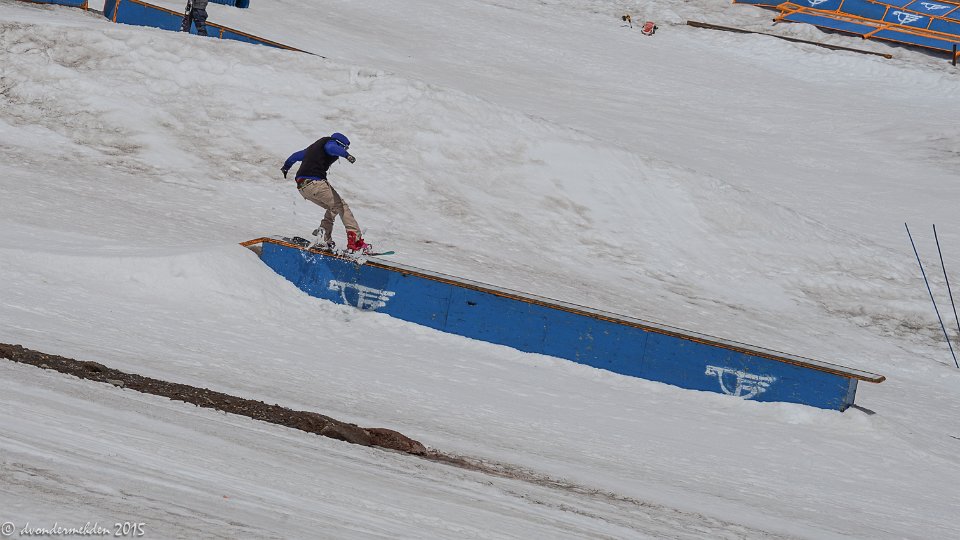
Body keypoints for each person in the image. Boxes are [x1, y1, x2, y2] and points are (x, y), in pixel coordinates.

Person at [281, 132, 371, 253]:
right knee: (342, 206)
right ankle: (356, 242)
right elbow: (331, 147)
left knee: (333, 207)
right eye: (345, 147)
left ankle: (324, 237)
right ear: (341, 144)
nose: (344, 150)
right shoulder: (329, 143)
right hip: (315, 183)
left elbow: (295, 156)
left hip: (303, 187)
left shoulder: (313, 148)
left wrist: (286, 167)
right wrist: (346, 155)